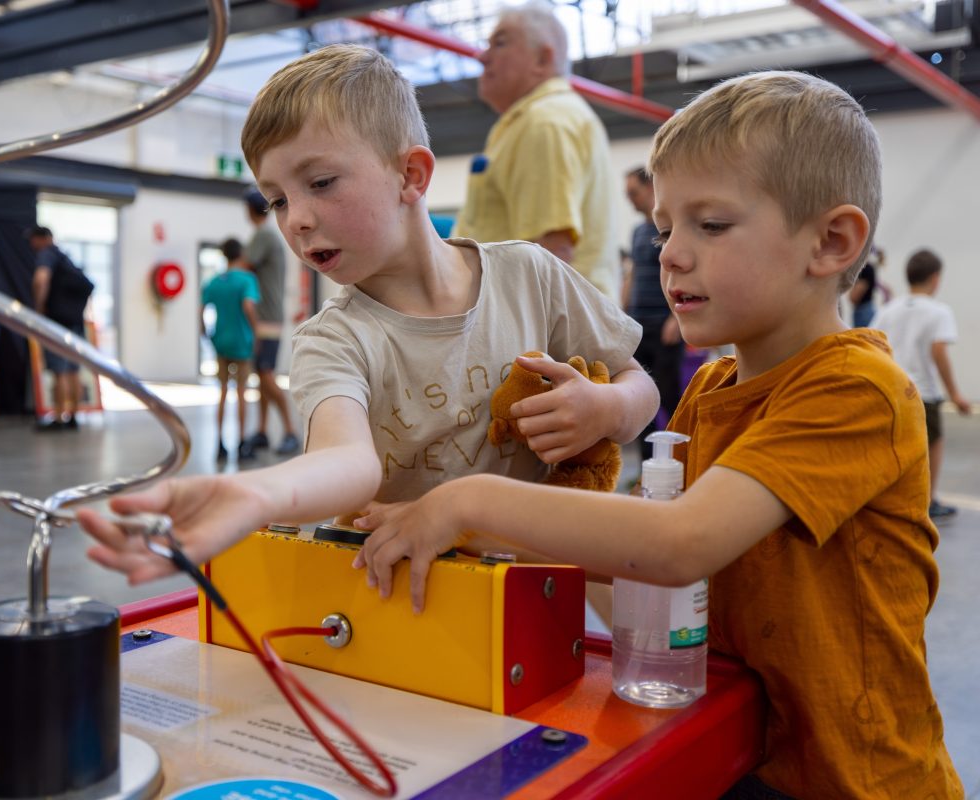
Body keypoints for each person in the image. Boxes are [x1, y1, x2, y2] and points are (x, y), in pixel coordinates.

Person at [349, 72, 964, 799]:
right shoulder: (709, 390)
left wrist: (469, 503)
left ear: (830, 241)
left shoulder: (857, 388)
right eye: (666, 227)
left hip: (854, 779)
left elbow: (678, 546)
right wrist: (443, 529)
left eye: (710, 225)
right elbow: (642, 576)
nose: (668, 252)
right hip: (739, 749)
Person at [75, 45, 657, 595]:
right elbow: (347, 462)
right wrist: (256, 494)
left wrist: (606, 409)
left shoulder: (530, 275)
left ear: (411, 176)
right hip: (404, 596)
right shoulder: (335, 340)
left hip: (538, 585)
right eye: (276, 200)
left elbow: (641, 385)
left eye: (320, 183)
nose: (296, 219)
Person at [452, 3, 619, 299]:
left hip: (540, 340)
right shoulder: (542, 119)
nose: (482, 56)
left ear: (542, 58)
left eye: (500, 43)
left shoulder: (543, 122)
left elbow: (549, 257)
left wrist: (530, 345)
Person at [871, 249, 972, 521]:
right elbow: (939, 351)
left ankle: (889, 498)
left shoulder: (888, 310)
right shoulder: (939, 311)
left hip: (890, 389)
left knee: (893, 444)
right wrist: (954, 394)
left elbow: (873, 344)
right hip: (923, 392)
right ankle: (929, 500)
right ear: (936, 278)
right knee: (933, 443)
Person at [623, 166, 684, 461]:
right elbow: (632, 273)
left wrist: (677, 318)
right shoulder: (637, 231)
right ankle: (648, 464)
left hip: (665, 325)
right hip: (639, 324)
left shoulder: (670, 229)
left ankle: (683, 458)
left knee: (670, 394)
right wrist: (622, 315)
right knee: (643, 397)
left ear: (650, 189)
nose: (630, 200)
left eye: (633, 193)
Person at [241, 187, 300, 458]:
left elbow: (245, 264)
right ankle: (262, 429)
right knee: (261, 375)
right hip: (267, 316)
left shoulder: (263, 235)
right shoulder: (265, 235)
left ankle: (290, 431)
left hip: (266, 317)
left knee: (265, 374)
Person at [28, 225, 93, 431]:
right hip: (75, 320)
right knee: (73, 370)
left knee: (59, 371)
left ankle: (58, 417)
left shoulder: (47, 255)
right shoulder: (65, 257)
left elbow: (41, 279)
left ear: (40, 238)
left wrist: (39, 308)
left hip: (57, 321)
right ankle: (72, 415)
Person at [201, 237, 260, 462]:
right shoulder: (247, 280)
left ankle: (219, 444)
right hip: (242, 342)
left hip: (221, 342)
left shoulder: (215, 281)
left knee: (223, 392)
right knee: (242, 392)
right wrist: (256, 331)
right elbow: (248, 305)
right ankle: (242, 442)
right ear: (241, 253)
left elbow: (201, 308)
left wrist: (205, 332)